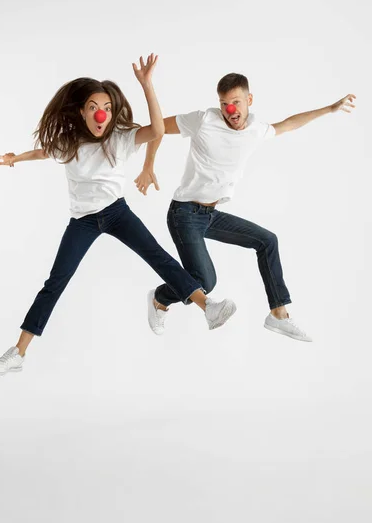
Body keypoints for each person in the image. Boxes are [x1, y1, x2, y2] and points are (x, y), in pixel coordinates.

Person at [0, 56, 236, 376]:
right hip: (83, 221)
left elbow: (158, 130)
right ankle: (18, 352)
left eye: (105, 106)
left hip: (117, 212)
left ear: (112, 112)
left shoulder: (121, 137)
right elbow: (43, 152)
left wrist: (146, 85)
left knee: (159, 258)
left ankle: (208, 307)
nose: (100, 112)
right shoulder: (69, 143)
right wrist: (15, 158)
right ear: (82, 112)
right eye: (92, 106)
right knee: (56, 282)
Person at [134, 72, 356, 342]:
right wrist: (148, 167)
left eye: (236, 102)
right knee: (204, 281)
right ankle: (159, 298)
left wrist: (330, 109)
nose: (230, 110)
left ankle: (278, 314)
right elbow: (157, 128)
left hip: (210, 214)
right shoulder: (204, 120)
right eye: (224, 103)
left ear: (249, 100)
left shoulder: (257, 129)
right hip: (184, 214)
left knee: (267, 241)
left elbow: (290, 123)